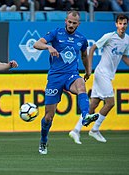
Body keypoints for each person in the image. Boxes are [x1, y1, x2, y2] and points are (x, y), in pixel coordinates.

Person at [33, 10, 99, 155]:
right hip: (55, 77)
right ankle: (43, 140)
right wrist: (48, 46)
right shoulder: (56, 33)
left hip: (71, 75)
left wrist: (88, 71)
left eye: (74, 23)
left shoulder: (82, 39)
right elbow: (36, 44)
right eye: (69, 22)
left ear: (78, 24)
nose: (71, 25)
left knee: (81, 84)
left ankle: (85, 116)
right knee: (49, 117)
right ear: (65, 21)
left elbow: (84, 55)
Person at [69, 14, 129, 144]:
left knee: (93, 105)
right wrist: (89, 68)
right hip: (102, 73)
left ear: (127, 24)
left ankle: (76, 130)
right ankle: (95, 129)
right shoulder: (109, 37)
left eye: (124, 24)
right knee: (110, 103)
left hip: (108, 75)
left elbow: (124, 57)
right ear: (116, 24)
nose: (122, 26)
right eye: (120, 23)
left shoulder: (127, 40)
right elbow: (92, 49)